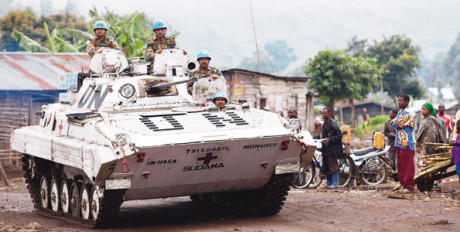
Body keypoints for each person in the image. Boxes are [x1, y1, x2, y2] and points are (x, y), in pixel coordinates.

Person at [392, 94, 415, 192]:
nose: (399, 103)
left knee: (408, 165)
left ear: (407, 102)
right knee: (400, 165)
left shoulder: (408, 112)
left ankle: (409, 186)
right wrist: (396, 122)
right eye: (398, 101)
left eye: (401, 101)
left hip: (407, 142)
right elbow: (394, 123)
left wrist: (396, 122)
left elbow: (397, 123)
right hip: (399, 142)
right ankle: (403, 184)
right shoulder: (400, 112)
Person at [314, 108, 342, 189]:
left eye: (324, 113)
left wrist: (330, 140)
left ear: (329, 113)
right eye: (322, 113)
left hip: (332, 149)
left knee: (333, 166)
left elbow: (339, 135)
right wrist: (314, 138)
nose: (323, 115)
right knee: (325, 166)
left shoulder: (333, 123)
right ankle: (328, 183)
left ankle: (334, 183)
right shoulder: (324, 124)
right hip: (325, 149)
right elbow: (322, 136)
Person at [449, 119, 460, 193]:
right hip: (458, 156)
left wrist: (453, 143)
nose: (457, 126)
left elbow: (458, 142)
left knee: (459, 171)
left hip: (459, 157)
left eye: (458, 125)